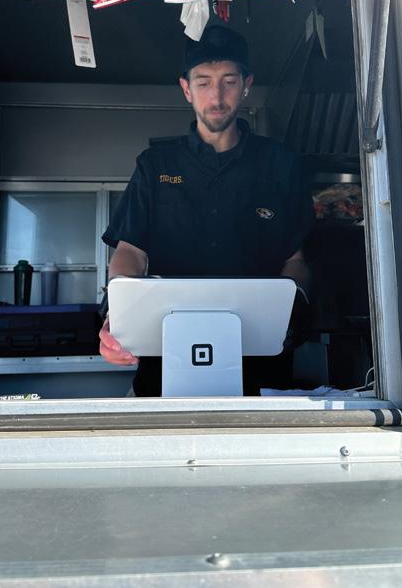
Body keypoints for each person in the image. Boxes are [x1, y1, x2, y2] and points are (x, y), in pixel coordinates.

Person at [99, 25, 314, 395]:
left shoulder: (281, 164)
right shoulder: (155, 164)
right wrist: (115, 318)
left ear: (246, 85)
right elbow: (130, 252)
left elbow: (296, 260)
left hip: (261, 370)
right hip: (164, 365)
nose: (216, 96)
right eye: (203, 82)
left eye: (229, 81)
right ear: (186, 88)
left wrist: (290, 313)